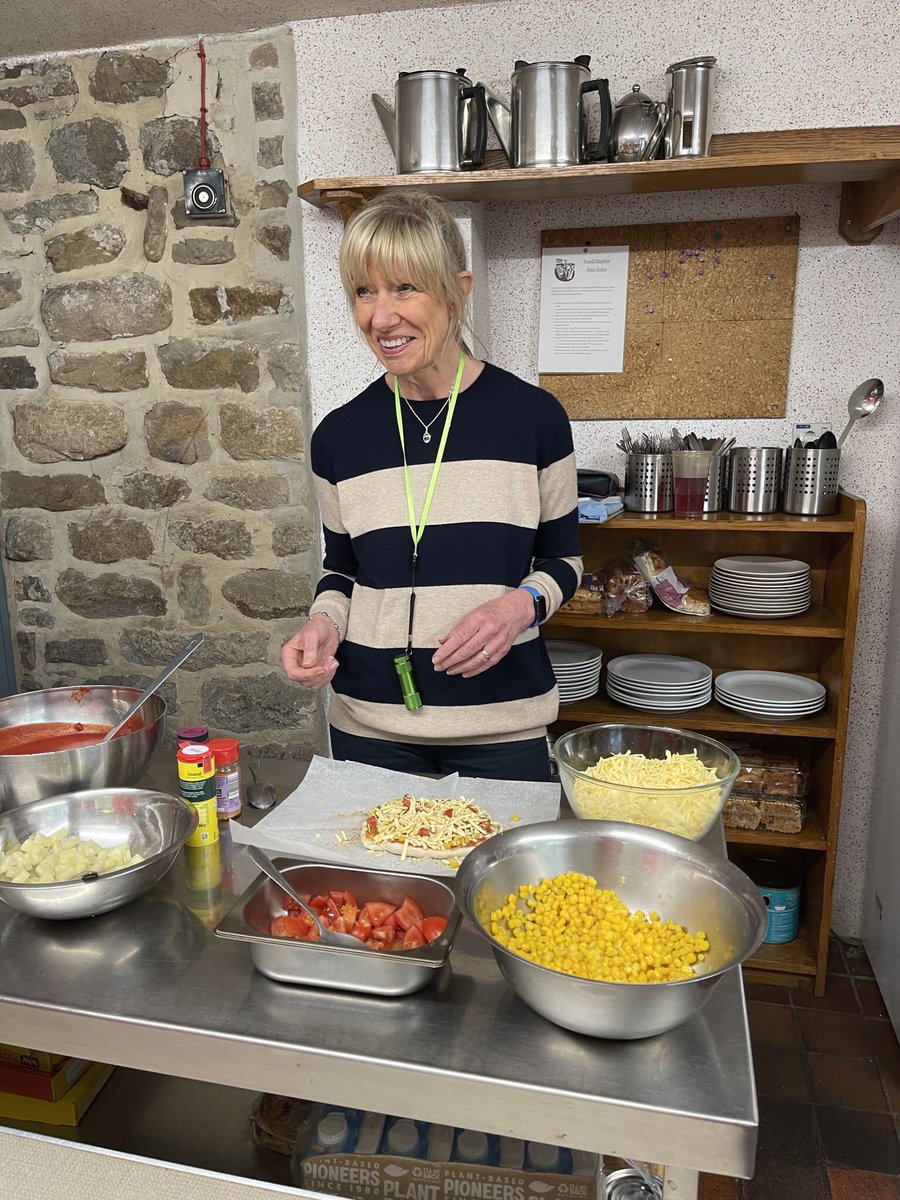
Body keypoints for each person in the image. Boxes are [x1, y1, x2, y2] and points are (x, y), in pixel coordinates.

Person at [280, 191, 582, 782]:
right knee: (377, 880)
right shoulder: (338, 438)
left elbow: (563, 561)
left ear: (458, 292)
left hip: (502, 727)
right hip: (368, 727)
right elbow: (341, 573)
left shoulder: (535, 419)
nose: (381, 317)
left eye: (404, 288)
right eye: (364, 292)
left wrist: (521, 605)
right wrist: (322, 624)